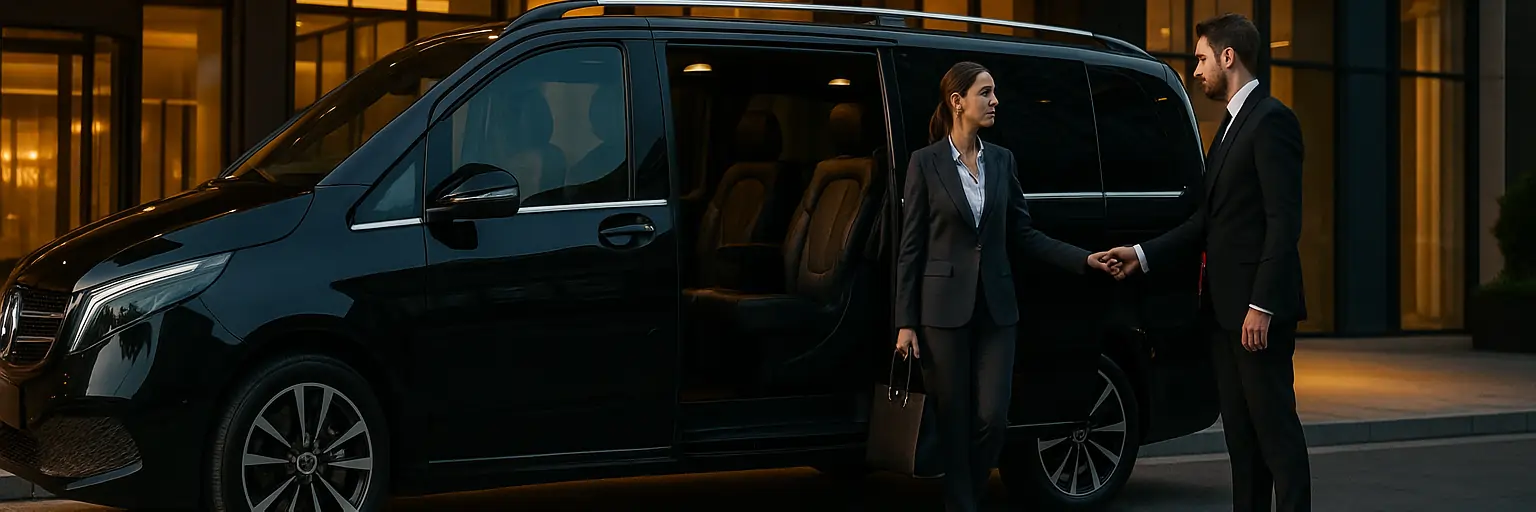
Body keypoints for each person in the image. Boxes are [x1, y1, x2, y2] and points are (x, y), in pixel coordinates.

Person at [1093, 13, 1312, 512]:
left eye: (1200, 59)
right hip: (1222, 316)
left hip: (1256, 316)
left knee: (1276, 438)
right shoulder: (1232, 125)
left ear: (1228, 57)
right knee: (1241, 441)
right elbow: (1207, 223)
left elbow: (1284, 222)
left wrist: (1262, 304)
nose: (1196, 71)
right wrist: (1142, 255)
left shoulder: (1272, 120)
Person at [894, 61, 1120, 512]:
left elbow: (1023, 234)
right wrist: (905, 323)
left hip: (998, 310)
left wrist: (1083, 258)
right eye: (986, 93)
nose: (995, 101)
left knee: (992, 418)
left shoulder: (1002, 160)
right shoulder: (925, 163)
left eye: (994, 93)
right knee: (953, 420)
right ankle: (963, 504)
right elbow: (911, 248)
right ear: (958, 102)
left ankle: (965, 496)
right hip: (942, 313)